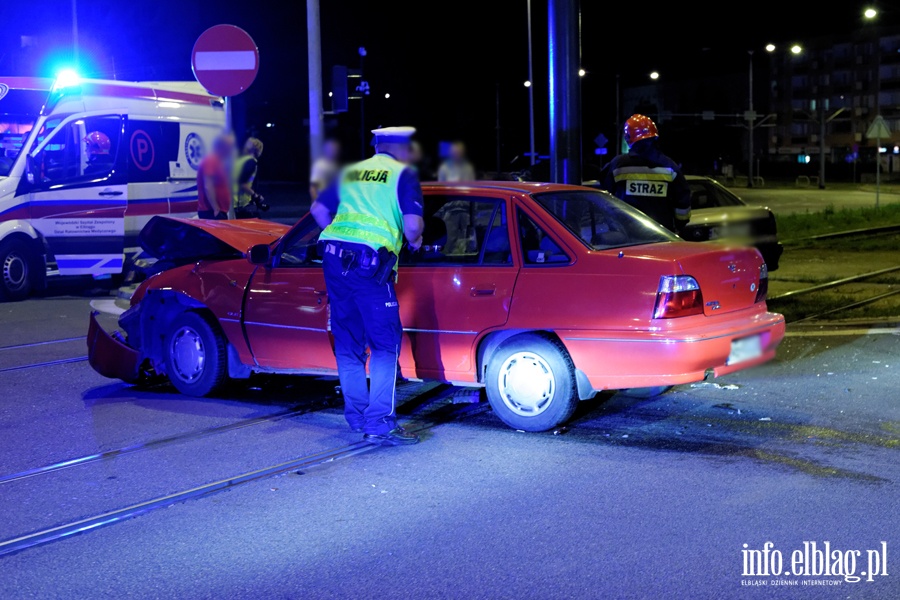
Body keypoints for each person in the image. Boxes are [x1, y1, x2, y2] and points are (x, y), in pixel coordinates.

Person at [311, 127, 425, 446]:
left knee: (349, 343)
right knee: (386, 344)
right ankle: (379, 422)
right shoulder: (402, 174)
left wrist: (346, 238)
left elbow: (318, 211)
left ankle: (358, 417)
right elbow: (413, 225)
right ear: (401, 149)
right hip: (370, 267)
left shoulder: (350, 172)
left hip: (334, 262)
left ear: (376, 146)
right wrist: (413, 241)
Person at [601, 114, 691, 233]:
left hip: (625, 236)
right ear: (654, 137)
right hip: (662, 236)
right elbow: (683, 207)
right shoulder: (670, 166)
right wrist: (677, 227)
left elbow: (604, 198)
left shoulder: (617, 165)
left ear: (628, 138)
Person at [437, 141, 476, 253]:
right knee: (450, 242)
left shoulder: (467, 168)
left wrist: (473, 213)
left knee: (466, 242)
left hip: (465, 211)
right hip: (450, 211)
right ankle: (448, 264)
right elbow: (440, 190)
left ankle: (465, 264)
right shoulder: (444, 168)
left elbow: (473, 190)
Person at [197, 132, 235, 220]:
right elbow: (208, 186)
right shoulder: (211, 160)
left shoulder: (218, 161)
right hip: (212, 211)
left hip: (218, 211)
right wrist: (216, 209)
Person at [233, 137, 266, 219]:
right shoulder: (251, 163)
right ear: (258, 150)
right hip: (243, 203)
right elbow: (242, 183)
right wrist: (256, 196)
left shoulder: (240, 161)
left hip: (233, 203)